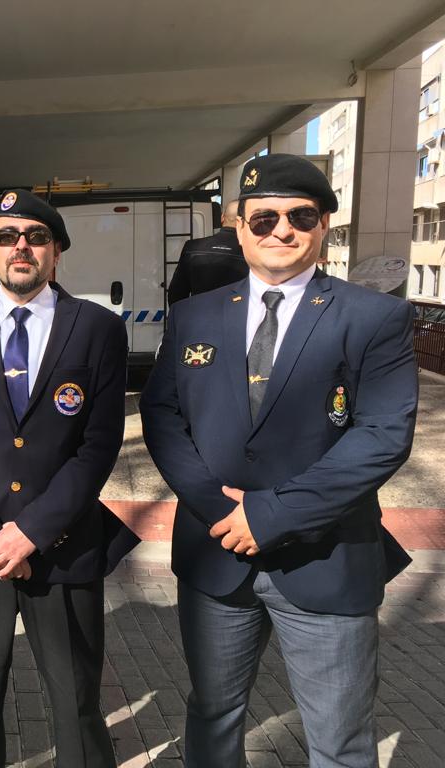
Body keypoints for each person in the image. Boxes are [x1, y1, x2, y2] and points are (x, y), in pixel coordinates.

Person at [140, 153, 417, 768]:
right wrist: (218, 509)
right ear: (240, 229)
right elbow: (163, 415)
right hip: (216, 553)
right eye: (264, 219)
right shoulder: (194, 315)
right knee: (212, 717)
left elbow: (382, 435)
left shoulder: (375, 316)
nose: (281, 230)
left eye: (301, 216)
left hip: (325, 557)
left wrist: (268, 516)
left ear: (324, 226)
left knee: (340, 742)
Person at [0, 189, 128, 768]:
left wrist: (31, 533)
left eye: (36, 237)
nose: (21, 247)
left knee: (76, 704)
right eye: (6, 237)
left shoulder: (97, 328)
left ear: (56, 251)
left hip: (63, 545)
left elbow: (98, 445)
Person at [167, 199, 249, 304]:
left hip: (199, 312)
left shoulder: (192, 247)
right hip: (236, 312)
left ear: (222, 218)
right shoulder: (250, 251)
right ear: (243, 222)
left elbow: (176, 294)